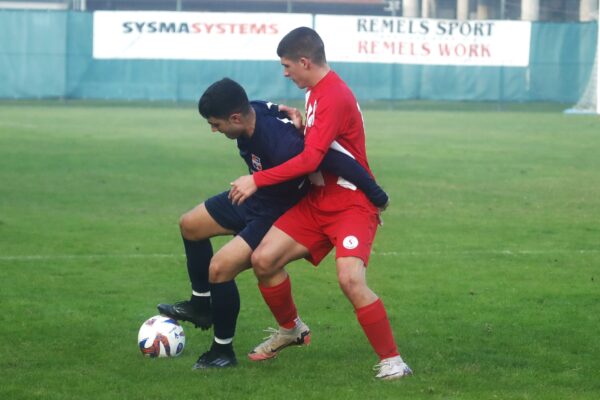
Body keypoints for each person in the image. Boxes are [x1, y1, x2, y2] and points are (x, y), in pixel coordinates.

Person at [157, 77, 389, 369]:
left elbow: (333, 160)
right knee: (190, 224)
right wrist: (291, 113)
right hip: (253, 196)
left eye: (216, 124)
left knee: (219, 268)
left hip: (274, 212)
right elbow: (275, 108)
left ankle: (222, 351)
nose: (214, 130)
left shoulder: (284, 143)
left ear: (236, 118)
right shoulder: (255, 110)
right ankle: (201, 305)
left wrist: (376, 193)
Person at [228, 27, 412, 380]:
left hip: (351, 204)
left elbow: (313, 159)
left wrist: (257, 179)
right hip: (318, 202)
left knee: (350, 279)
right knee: (263, 260)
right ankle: (291, 329)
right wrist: (301, 129)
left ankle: (393, 361)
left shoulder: (333, 95)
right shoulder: (315, 92)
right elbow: (324, 147)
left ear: (304, 61)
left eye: (287, 66)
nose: (285, 73)